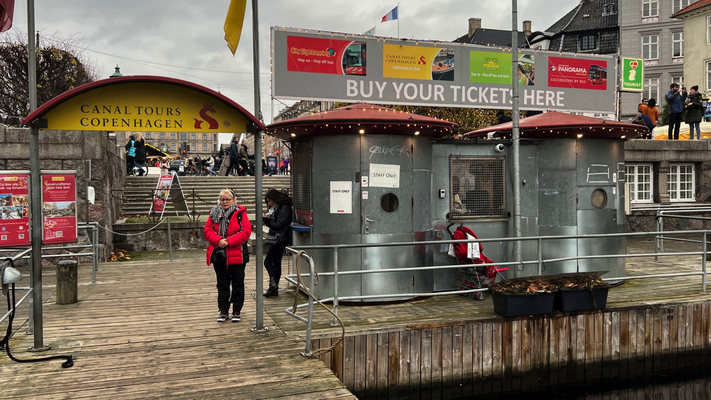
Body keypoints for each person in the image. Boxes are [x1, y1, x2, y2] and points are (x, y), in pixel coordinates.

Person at [203, 189, 252, 322]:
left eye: (228, 199)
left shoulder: (241, 213)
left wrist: (228, 241)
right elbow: (207, 230)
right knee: (222, 284)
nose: (225, 202)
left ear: (234, 200)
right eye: (223, 199)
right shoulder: (213, 213)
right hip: (219, 255)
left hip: (237, 255)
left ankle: (237, 310)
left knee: (238, 284)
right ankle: (223, 310)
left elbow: (246, 232)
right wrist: (218, 240)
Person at [262, 189, 293, 297]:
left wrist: (266, 221)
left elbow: (278, 224)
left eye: (270, 201)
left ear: (275, 199)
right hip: (278, 238)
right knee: (273, 263)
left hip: (280, 239)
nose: (269, 204)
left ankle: (274, 285)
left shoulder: (284, 208)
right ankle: (273, 286)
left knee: (270, 262)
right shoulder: (278, 207)